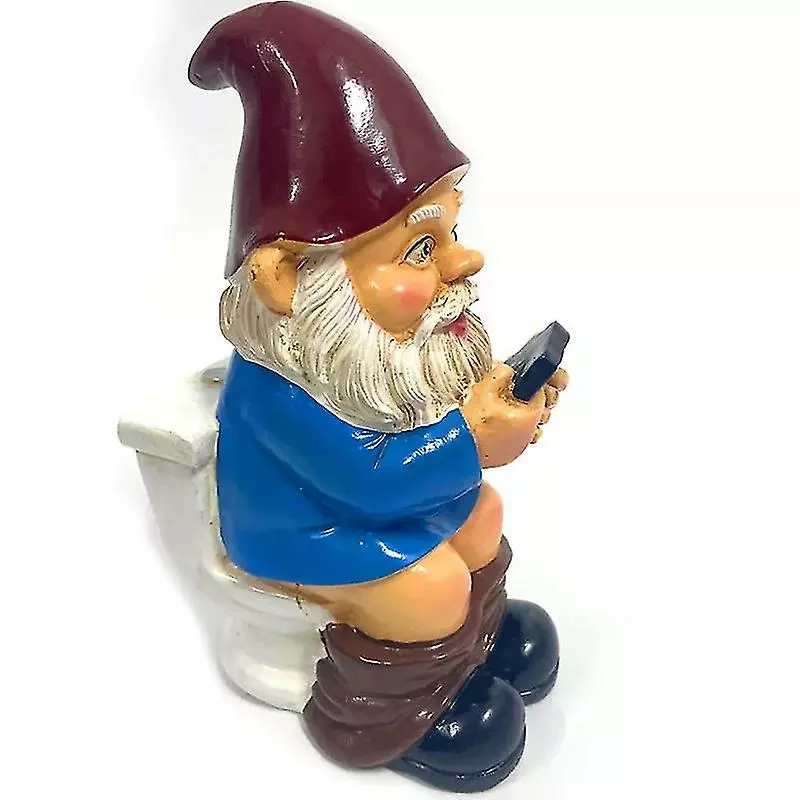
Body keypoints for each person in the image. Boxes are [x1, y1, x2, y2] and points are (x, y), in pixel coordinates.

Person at [191, 2, 568, 791]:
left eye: (452, 231)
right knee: (431, 585)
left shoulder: (386, 354)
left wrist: (503, 398)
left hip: (392, 506)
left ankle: (469, 649)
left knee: (483, 516)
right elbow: (365, 479)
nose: (463, 262)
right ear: (289, 280)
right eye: (421, 248)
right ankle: (384, 713)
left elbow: (427, 410)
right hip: (307, 530)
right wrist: (472, 439)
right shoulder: (283, 386)